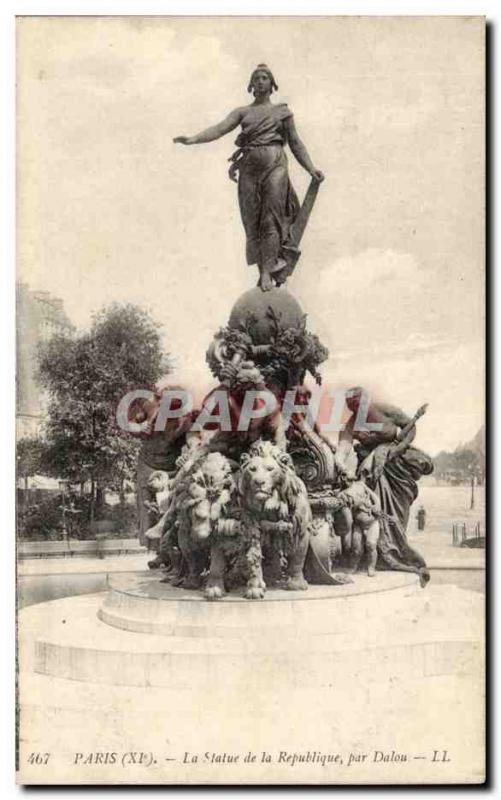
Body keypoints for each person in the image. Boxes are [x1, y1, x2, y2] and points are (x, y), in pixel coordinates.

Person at [174, 64, 324, 291]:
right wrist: (193, 139)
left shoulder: (282, 112)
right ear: (251, 84)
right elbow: (219, 128)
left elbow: (295, 142)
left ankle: (266, 273)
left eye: (265, 77)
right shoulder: (242, 112)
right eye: (257, 78)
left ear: (272, 84)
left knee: (270, 219)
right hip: (249, 169)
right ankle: (263, 269)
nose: (260, 81)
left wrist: (311, 168)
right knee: (252, 223)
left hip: (275, 164)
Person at [339, 388, 433, 586]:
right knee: (375, 513)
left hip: (397, 466)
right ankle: (378, 556)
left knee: (398, 512)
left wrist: (397, 449)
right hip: (372, 470)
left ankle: (395, 551)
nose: (356, 410)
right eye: (352, 407)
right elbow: (344, 446)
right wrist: (338, 461)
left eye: (358, 404)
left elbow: (410, 426)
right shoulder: (352, 423)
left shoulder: (385, 410)